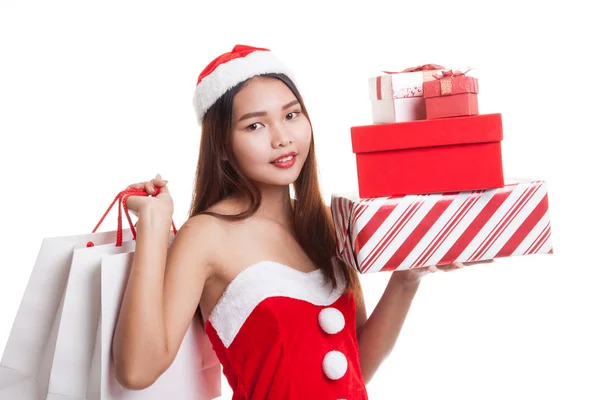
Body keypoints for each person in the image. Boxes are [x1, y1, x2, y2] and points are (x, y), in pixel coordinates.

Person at [112, 44, 464, 399]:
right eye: (255, 125)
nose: (282, 138)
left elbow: (356, 366)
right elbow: (137, 370)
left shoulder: (324, 222)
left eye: (291, 115)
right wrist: (154, 227)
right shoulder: (206, 235)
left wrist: (407, 278)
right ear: (222, 144)